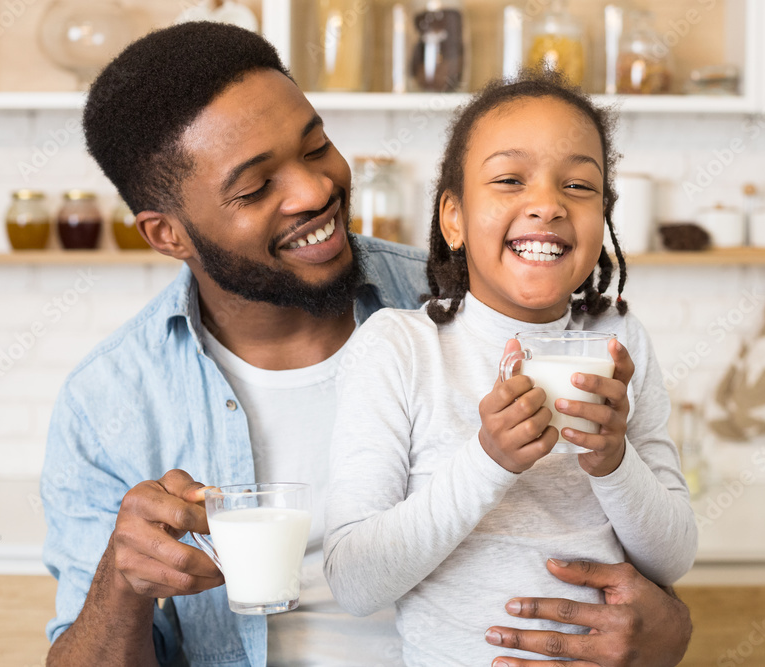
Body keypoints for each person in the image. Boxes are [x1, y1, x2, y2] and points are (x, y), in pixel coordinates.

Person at [40, 22, 693, 667]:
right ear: (167, 234)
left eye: (315, 145)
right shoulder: (109, 402)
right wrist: (121, 585)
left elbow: (647, 556)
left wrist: (664, 628)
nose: (316, 190)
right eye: (256, 187)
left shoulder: (478, 295)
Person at [323, 71, 698, 666]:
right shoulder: (399, 349)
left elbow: (671, 556)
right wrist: (487, 460)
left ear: (602, 217)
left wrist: (613, 460)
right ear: (454, 218)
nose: (547, 204)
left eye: (579, 185)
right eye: (508, 179)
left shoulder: (620, 340)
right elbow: (354, 582)